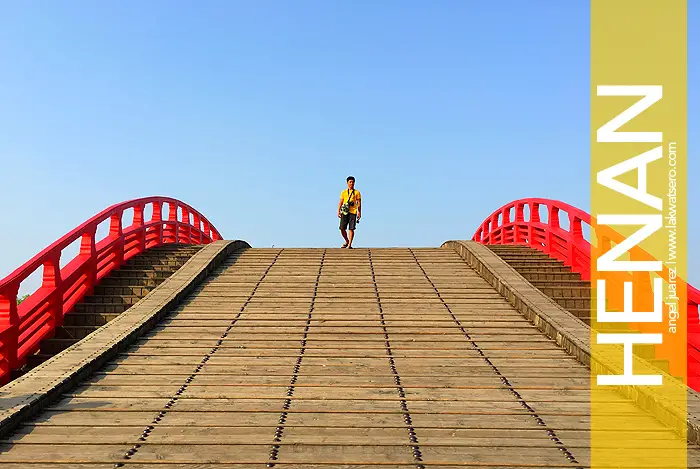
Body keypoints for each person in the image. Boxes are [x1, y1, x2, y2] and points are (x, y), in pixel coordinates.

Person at [338, 176, 361, 248]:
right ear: (347, 183)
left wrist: (359, 212)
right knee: (342, 228)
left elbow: (359, 203)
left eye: (353, 182)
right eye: (350, 182)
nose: (352, 183)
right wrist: (338, 211)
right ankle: (347, 241)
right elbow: (341, 202)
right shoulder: (344, 192)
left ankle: (350, 244)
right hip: (344, 211)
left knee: (351, 228)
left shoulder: (357, 192)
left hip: (353, 212)